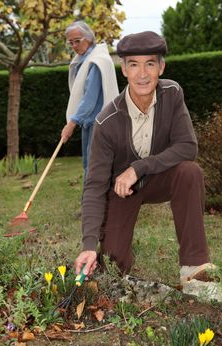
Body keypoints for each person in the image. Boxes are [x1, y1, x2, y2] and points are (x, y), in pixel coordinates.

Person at [74, 31, 216, 285]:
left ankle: (194, 270)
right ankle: (110, 260)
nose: (142, 74)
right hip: (122, 191)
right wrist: (88, 244)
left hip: (161, 178)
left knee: (189, 171)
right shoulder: (106, 122)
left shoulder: (172, 94)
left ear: (161, 67)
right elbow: (94, 186)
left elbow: (187, 147)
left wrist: (139, 167)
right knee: (113, 270)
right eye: (134, 65)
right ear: (124, 69)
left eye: (150, 63)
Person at [61, 21, 119, 183]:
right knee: (88, 163)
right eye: (70, 42)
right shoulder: (83, 59)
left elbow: (90, 99)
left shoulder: (97, 61)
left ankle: (94, 206)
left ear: (89, 38)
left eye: (77, 41)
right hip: (88, 121)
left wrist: (71, 124)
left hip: (99, 122)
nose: (73, 45)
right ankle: (89, 205)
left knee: (95, 165)